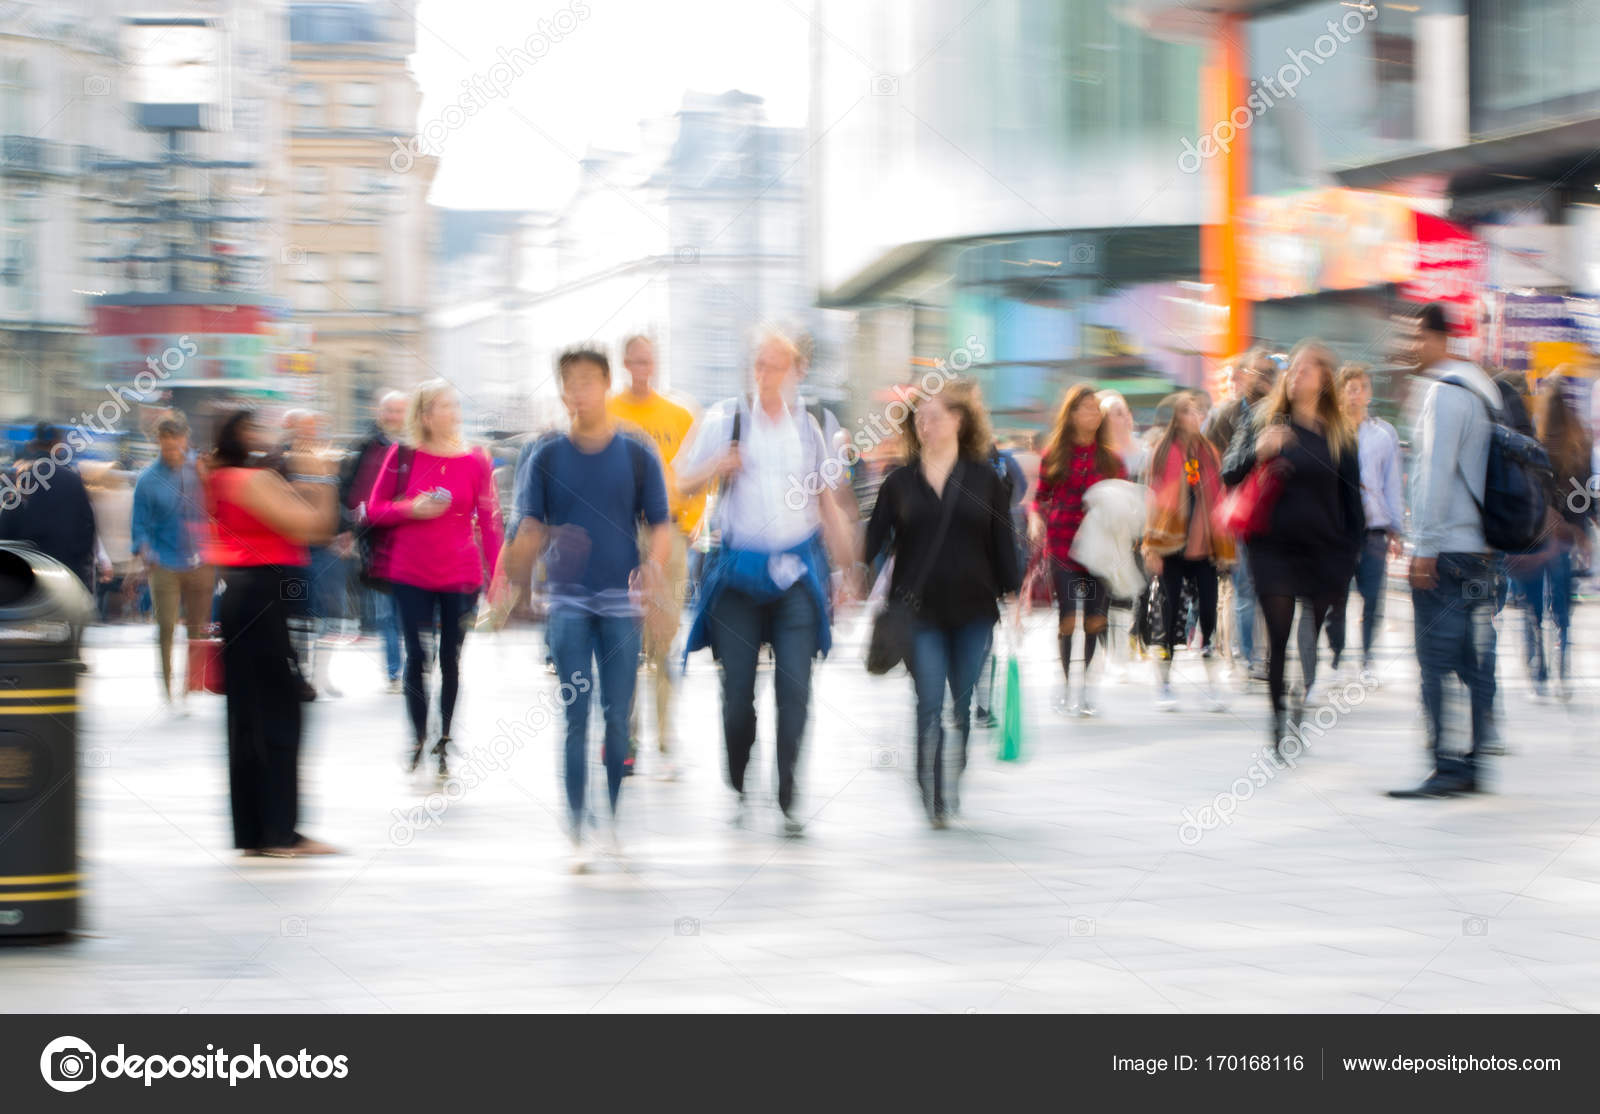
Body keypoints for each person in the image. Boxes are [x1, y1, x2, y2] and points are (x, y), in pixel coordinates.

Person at [676, 331, 859, 836]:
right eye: (759, 365)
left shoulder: (817, 425)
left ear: (798, 371)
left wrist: (847, 571)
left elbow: (828, 502)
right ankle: (738, 782)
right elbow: (679, 483)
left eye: (778, 366)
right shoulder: (725, 419)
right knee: (737, 695)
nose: (767, 375)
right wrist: (717, 465)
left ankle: (789, 793)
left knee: (795, 688)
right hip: (737, 577)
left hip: (797, 575)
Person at [495, 349, 671, 870]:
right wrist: (517, 581)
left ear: (605, 385)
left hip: (621, 603)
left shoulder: (636, 453)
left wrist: (654, 569)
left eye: (590, 381)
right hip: (568, 604)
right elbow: (527, 527)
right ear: (563, 390)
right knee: (576, 718)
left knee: (618, 718)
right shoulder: (545, 456)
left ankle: (611, 822)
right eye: (571, 382)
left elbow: (659, 524)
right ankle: (576, 829)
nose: (580, 391)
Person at [864, 381, 1019, 826]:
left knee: (963, 703)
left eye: (933, 415)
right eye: (919, 418)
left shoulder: (984, 479)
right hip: (919, 612)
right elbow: (874, 541)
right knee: (928, 700)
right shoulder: (899, 481)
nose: (924, 424)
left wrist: (1014, 594)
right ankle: (929, 788)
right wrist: (854, 573)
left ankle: (953, 777)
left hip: (974, 611)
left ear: (958, 420)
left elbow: (1002, 543)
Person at [205, 409, 339, 857]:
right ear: (243, 433)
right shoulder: (248, 479)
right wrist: (323, 478)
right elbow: (315, 527)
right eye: (259, 427)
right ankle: (282, 833)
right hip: (266, 597)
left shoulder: (223, 477)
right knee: (282, 711)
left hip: (245, 596)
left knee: (249, 717)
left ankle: (257, 832)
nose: (268, 435)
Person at [1222, 340, 1362, 751]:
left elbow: (1353, 501)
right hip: (1272, 548)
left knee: (1310, 637)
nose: (1297, 373)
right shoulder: (1266, 420)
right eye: (1294, 368)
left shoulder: (1339, 435)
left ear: (1323, 382)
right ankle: (1279, 720)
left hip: (1324, 548)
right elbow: (1229, 472)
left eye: (1308, 369)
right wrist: (1258, 449)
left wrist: (1350, 555)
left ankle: (1301, 692)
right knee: (1280, 634)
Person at [1389, 304, 1504, 798]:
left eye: (1416, 336)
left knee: (1435, 661)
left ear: (1437, 338)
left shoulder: (1443, 391)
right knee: (1473, 660)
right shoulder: (1484, 387)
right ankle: (1475, 763)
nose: (1412, 347)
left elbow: (1433, 473)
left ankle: (1445, 766)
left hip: (1448, 549)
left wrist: (1425, 549)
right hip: (1484, 548)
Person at [365, 381, 503, 778]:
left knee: (451, 659)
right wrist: (412, 508)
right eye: (445, 406)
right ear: (425, 415)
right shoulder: (402, 455)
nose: (454, 412)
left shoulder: (476, 460)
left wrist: (497, 575)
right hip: (410, 571)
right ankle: (417, 734)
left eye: (455, 405)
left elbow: (491, 523)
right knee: (416, 656)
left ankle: (444, 737)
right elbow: (373, 509)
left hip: (460, 575)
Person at [606, 335, 702, 780]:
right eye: (635, 359)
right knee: (623, 639)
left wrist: (689, 521)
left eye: (649, 359)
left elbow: (698, 476)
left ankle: (666, 737)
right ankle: (625, 736)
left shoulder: (679, 415)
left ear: (656, 363)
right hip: (620, 536)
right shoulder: (608, 412)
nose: (642, 366)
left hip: (670, 535)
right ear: (625, 363)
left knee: (664, 639)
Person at [1028, 382, 1125, 717]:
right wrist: (1035, 521)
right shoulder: (1055, 453)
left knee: (1096, 619)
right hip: (1063, 546)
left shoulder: (1111, 460)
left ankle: (1085, 689)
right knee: (1069, 616)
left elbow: (1124, 500)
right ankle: (1068, 683)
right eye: (1084, 407)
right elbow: (1040, 499)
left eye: (1094, 408)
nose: (1092, 414)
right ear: (1070, 414)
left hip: (1100, 550)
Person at [1141, 390, 1232, 711]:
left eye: (1202, 411)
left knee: (1209, 613)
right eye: (1192, 411)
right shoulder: (1163, 453)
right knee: (1169, 616)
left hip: (1204, 546)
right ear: (1178, 416)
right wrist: (1150, 545)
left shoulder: (1209, 453)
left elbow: (1219, 497)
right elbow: (1153, 501)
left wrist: (1224, 544)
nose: (1199, 417)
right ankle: (1164, 682)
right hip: (1170, 545)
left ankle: (1212, 684)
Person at [1514, 373, 1594, 701]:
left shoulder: (1535, 440)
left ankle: (1539, 667)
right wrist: (1581, 531)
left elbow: (1528, 490)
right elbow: (1586, 492)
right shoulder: (1580, 444)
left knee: (1533, 606)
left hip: (1536, 537)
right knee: (1561, 607)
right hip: (1564, 538)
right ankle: (1560, 664)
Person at [130, 415, 214, 712]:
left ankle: (189, 689)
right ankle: (168, 691)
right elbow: (138, 525)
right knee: (165, 626)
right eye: (166, 447)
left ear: (185, 440)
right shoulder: (148, 480)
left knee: (198, 628)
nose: (172, 452)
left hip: (200, 561)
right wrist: (145, 552)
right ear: (159, 443)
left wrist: (206, 478)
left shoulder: (200, 470)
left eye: (176, 446)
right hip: (163, 561)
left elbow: (218, 507)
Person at [1208, 350, 1279, 680]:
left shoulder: (1285, 411)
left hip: (1278, 512)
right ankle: (1245, 657)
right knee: (1244, 587)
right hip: (1241, 510)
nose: (1266, 378)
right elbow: (1220, 466)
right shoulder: (1230, 415)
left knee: (1271, 589)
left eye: (1272, 372)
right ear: (1247, 374)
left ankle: (1263, 656)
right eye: (1260, 371)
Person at [1334, 363, 1404, 679]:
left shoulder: (1384, 434)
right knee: (1335, 599)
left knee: (1373, 598)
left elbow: (1392, 483)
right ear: (1340, 394)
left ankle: (1367, 660)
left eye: (1362, 387)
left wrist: (1396, 528)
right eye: (1350, 388)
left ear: (1370, 393)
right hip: (1338, 529)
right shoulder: (1330, 432)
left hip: (1374, 528)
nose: (1357, 394)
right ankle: (1336, 658)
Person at [338, 390, 408, 693]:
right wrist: (348, 528)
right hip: (377, 538)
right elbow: (350, 489)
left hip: (410, 536)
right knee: (385, 609)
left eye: (398, 410)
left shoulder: (417, 447)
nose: (393, 416)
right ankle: (395, 671)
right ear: (380, 413)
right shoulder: (365, 448)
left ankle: (415, 664)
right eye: (388, 410)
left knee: (408, 607)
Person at [0, 423, 98, 590]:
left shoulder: (19, 478)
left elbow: (5, 528)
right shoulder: (72, 480)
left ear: (32, 446)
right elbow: (88, 525)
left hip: (26, 575)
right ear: (58, 445)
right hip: (65, 573)